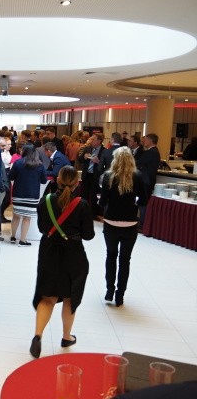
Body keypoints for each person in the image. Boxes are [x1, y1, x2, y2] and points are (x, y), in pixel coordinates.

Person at [30, 166, 95, 359]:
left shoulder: (45, 201)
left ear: (57, 180)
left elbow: (41, 228)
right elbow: (89, 235)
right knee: (70, 297)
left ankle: (38, 335)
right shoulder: (82, 205)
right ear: (77, 183)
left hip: (49, 252)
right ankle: (66, 337)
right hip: (73, 254)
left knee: (47, 297)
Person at [98, 147, 147, 307]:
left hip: (111, 222)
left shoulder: (108, 176)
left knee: (111, 256)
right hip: (130, 224)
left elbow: (102, 202)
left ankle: (109, 290)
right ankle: (120, 295)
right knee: (125, 260)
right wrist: (133, 202)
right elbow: (144, 200)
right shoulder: (137, 176)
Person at [9, 144, 47, 246]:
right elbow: (44, 181)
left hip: (18, 194)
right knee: (27, 218)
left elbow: (11, 176)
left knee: (16, 216)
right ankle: (22, 240)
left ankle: (13, 237)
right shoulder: (39, 165)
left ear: (25, 151)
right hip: (32, 196)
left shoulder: (18, 163)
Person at [135, 133, 160, 227]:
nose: (143, 141)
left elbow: (139, 163)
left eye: (145, 139)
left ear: (150, 140)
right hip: (148, 180)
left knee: (143, 202)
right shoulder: (154, 151)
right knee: (143, 202)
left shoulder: (151, 152)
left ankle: (142, 224)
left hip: (146, 181)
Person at [80, 133, 106, 219]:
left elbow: (107, 166)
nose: (91, 141)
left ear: (99, 141)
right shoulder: (87, 148)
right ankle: (82, 213)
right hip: (86, 175)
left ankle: (93, 214)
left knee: (94, 196)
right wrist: (84, 157)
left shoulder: (104, 151)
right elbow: (80, 159)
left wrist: (98, 162)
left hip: (96, 176)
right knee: (84, 195)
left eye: (93, 139)